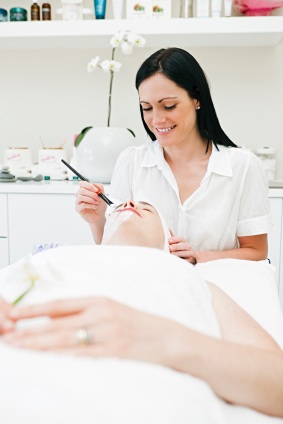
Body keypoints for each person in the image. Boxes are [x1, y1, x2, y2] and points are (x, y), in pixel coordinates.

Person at [1, 199, 283, 418]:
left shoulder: (190, 280)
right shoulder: (48, 259)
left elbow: (277, 384)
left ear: (170, 242)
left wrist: (167, 340)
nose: (130, 204)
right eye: (120, 206)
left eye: (146, 208)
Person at [75, 47, 270, 264]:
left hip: (213, 288)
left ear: (196, 99)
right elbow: (116, 247)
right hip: (150, 289)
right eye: (146, 108)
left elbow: (256, 250)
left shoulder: (243, 166)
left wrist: (199, 257)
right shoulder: (132, 162)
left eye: (168, 106)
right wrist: (96, 221)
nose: (157, 120)